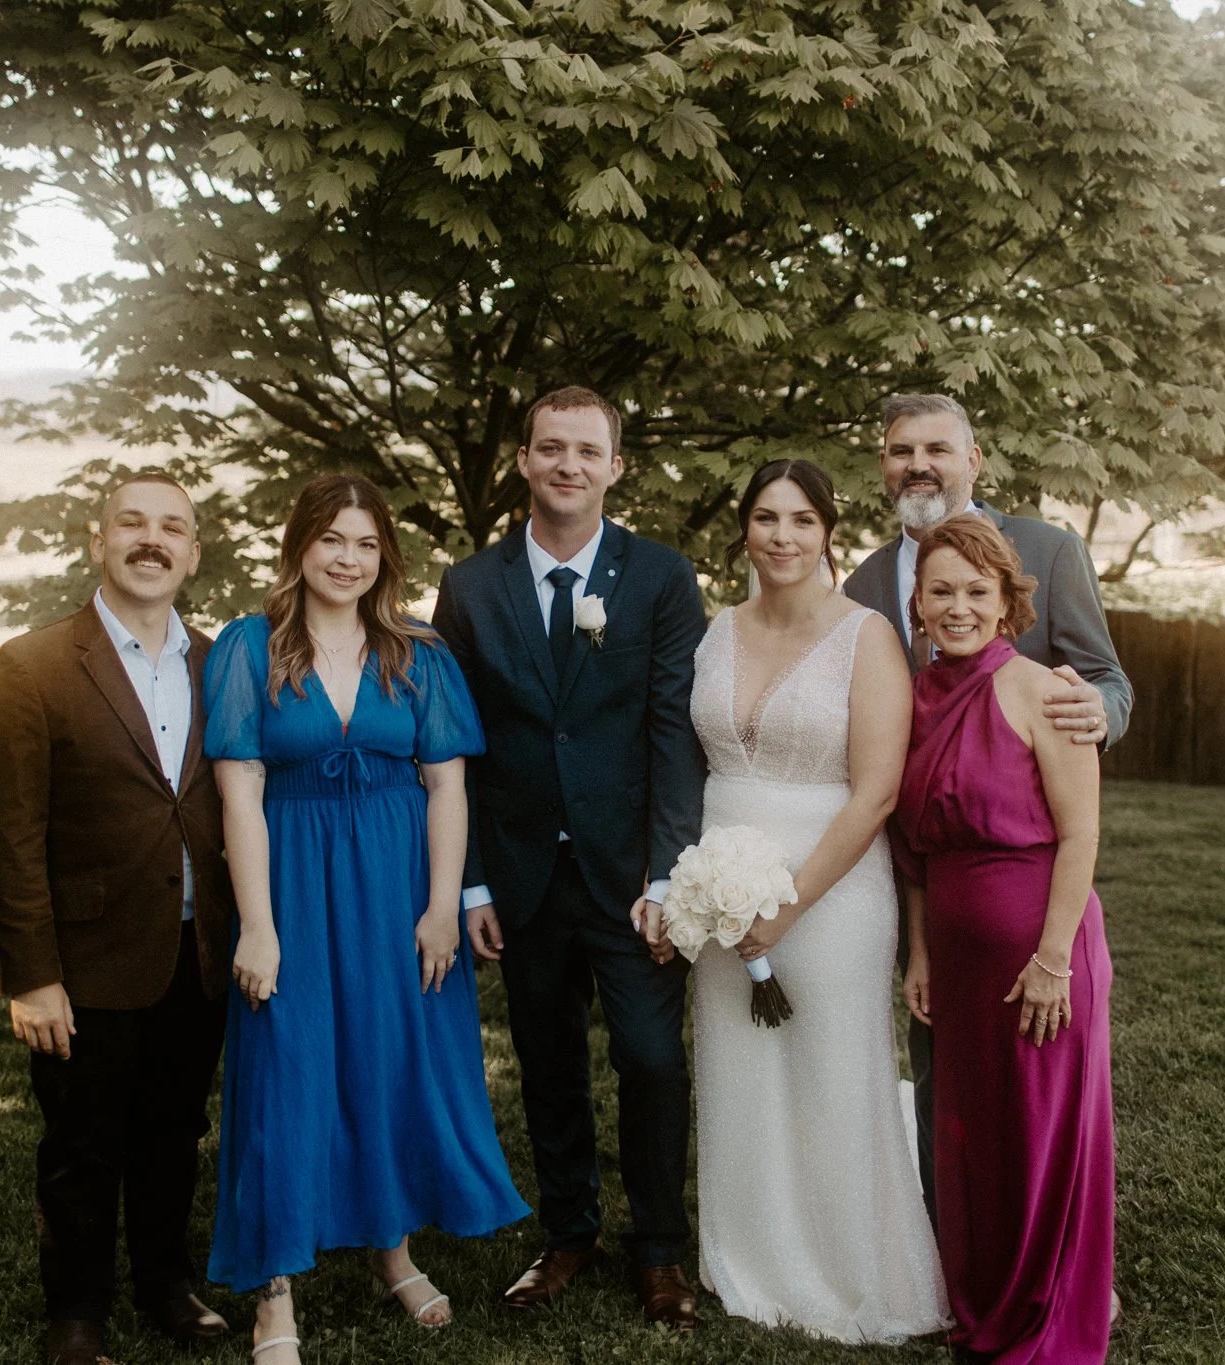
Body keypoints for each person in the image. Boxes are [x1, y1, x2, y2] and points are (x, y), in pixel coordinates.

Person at [202, 475, 528, 1363]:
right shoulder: (248, 648)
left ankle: (394, 1249)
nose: (348, 558)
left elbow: (448, 785)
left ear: (385, 555)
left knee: (388, 1061)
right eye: (332, 540)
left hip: (398, 887)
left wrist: (440, 908)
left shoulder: (417, 653)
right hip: (295, 881)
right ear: (299, 544)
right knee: (288, 1067)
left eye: (366, 543)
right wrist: (257, 924)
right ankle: (275, 1290)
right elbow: (241, 793)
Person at [431, 386, 708, 1329]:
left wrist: (666, 876)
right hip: (519, 874)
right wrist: (469, 879)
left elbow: (674, 733)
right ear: (523, 459)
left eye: (588, 451)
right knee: (548, 1061)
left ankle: (661, 1248)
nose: (568, 466)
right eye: (551, 448)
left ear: (615, 465)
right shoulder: (470, 586)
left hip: (629, 877)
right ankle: (569, 1231)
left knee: (650, 1058)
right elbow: (456, 743)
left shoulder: (663, 577)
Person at [842, 390, 1130, 1225]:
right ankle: (952, 1246)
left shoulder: (1047, 546)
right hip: (922, 869)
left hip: (1032, 863)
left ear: (976, 460)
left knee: (1039, 1085)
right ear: (885, 467)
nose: (918, 464)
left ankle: (1051, 1245)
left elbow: (1107, 678)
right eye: (901, 450)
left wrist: (1092, 714)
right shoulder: (862, 583)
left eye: (938, 447)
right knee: (943, 1073)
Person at [0, 473, 236, 1365]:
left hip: (197, 952)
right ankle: (77, 1312)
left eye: (172, 527)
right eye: (133, 523)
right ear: (99, 540)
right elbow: (6, 839)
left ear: (194, 552)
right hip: (85, 962)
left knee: (174, 1131)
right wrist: (32, 974)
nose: (151, 540)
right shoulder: (33, 665)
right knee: (83, 1146)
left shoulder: (220, 662)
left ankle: (165, 1283)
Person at [685, 460, 951, 1342]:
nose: (783, 536)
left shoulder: (867, 636)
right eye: (765, 517)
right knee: (742, 1071)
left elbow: (875, 792)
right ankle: (751, 1254)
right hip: (722, 886)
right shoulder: (716, 629)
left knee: (831, 1069)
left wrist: (788, 907)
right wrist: (699, 891)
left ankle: (847, 1263)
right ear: (745, 529)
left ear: (829, 530)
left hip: (832, 892)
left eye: (802, 519)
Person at [894, 513, 1117, 1363]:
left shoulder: (1045, 689)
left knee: (1037, 1134)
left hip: (1041, 948)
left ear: (1005, 600)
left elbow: (1081, 835)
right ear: (916, 601)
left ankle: (1046, 1313)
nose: (958, 607)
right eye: (941, 590)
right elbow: (912, 850)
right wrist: (919, 950)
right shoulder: (913, 698)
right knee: (969, 1136)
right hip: (953, 952)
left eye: (976, 591)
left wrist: (1054, 959)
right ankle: (980, 1299)